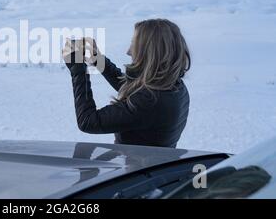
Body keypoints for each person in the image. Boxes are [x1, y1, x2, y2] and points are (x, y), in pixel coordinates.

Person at [62, 19, 191, 148]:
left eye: (134, 45)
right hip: (151, 163)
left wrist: (77, 69)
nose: (128, 51)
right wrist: (97, 58)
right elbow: (133, 89)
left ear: (149, 53)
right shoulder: (174, 87)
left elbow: (88, 122)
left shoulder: (150, 101)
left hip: (138, 167)